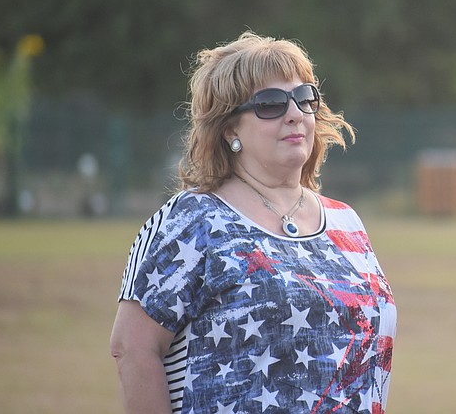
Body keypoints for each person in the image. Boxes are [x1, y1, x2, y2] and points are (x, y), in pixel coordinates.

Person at [110, 31, 396, 413]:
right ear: (230, 129)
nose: (295, 113)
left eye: (304, 98)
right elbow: (132, 348)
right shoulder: (193, 221)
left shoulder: (348, 222)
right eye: (271, 104)